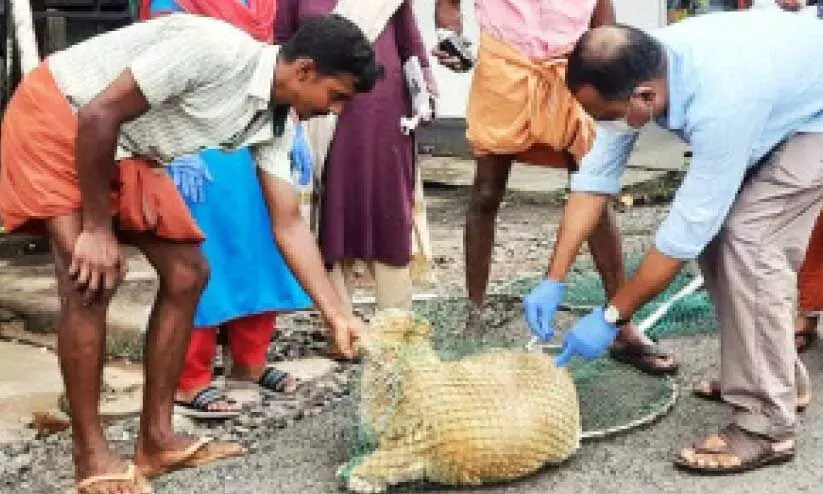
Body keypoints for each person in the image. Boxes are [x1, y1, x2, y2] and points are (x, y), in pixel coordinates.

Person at [0, 14, 378, 493]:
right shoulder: (213, 50)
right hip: (60, 114)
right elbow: (98, 114)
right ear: (304, 70)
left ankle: (156, 442)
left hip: (122, 143)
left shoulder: (279, 121)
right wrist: (97, 230)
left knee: (188, 272)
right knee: (89, 279)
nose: (336, 110)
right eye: (337, 95)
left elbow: (288, 224)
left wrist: (337, 316)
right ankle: (91, 457)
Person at [547, 12, 823, 473]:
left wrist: (612, 314)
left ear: (645, 97)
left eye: (605, 116)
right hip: (786, 88)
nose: (601, 124)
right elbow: (593, 181)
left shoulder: (723, 100)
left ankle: (768, 427)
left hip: (816, 118)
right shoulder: (637, 65)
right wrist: (552, 281)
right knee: (724, 239)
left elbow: (680, 238)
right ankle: (777, 380)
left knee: (749, 242)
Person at [432, 0, 678, 374]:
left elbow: (604, 23)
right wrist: (450, 38)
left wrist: (606, 69)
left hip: (575, 70)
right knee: (485, 193)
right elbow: (448, 5)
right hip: (504, 66)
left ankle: (622, 323)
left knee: (595, 193)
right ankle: (474, 319)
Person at [141, 0, 312, 420]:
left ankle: (250, 361)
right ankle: (188, 378)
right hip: (195, 136)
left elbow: (276, 64)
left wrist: (292, 128)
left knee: (262, 250)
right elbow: (155, 65)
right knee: (204, 259)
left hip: (255, 130)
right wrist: (170, 149)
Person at [276, 0, 436, 312]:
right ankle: (339, 319)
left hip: (384, 111)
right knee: (333, 206)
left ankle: (396, 321)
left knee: (389, 205)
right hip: (319, 111)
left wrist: (424, 92)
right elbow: (282, 43)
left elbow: (409, 42)